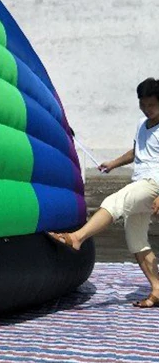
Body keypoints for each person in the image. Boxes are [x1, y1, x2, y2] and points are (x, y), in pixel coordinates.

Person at [49, 77, 159, 307]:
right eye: (143, 104)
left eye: (152, 105)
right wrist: (113, 163)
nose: (147, 109)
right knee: (136, 240)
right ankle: (157, 289)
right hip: (140, 181)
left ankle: (77, 237)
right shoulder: (142, 123)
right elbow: (137, 150)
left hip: (153, 184)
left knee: (114, 201)